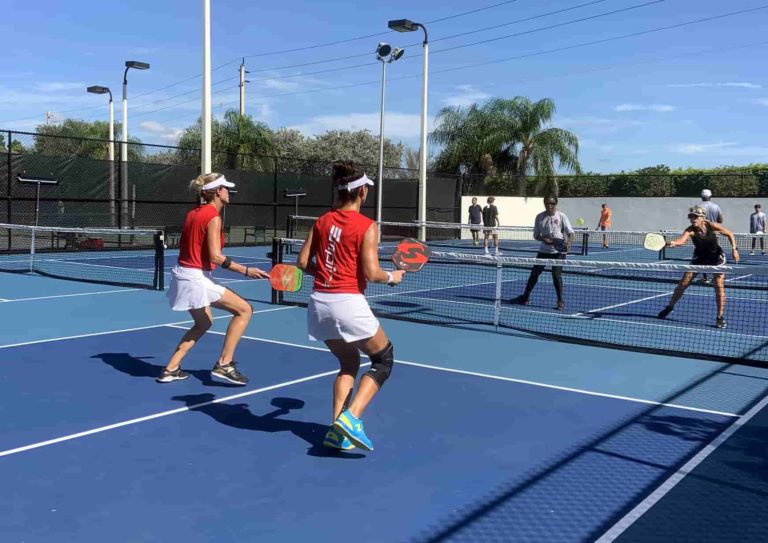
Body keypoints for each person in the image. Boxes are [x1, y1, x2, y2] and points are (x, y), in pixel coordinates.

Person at [297, 161, 405, 452]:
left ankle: (336, 430)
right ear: (362, 192)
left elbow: (303, 263)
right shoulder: (368, 226)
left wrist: (326, 273)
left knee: (348, 363)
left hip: (319, 304)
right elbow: (371, 272)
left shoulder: (321, 221)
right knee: (384, 359)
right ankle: (352, 418)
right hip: (347, 303)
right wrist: (392, 276)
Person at [159, 173, 270, 384]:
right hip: (195, 277)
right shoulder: (213, 217)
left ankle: (171, 368)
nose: (229, 192)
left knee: (203, 323)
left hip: (182, 274)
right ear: (218, 192)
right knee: (244, 310)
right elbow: (215, 256)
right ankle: (225, 364)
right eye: (226, 189)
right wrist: (246, 271)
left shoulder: (193, 213)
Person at [657, 206, 739, 329]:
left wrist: (734, 249)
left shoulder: (711, 225)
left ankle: (720, 317)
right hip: (699, 258)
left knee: (719, 288)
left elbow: (730, 234)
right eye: (691, 216)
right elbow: (681, 241)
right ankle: (670, 307)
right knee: (683, 284)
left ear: (702, 218)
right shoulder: (690, 230)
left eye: (695, 216)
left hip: (716, 259)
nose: (692, 219)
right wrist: (671, 243)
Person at [511, 196, 574, 310]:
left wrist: (569, 243)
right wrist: (543, 239)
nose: (550, 205)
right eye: (547, 203)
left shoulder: (561, 216)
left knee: (556, 275)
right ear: (544, 203)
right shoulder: (539, 217)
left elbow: (570, 232)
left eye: (552, 203)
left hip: (558, 252)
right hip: (544, 251)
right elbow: (536, 235)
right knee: (534, 274)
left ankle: (560, 300)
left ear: (556, 204)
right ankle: (526, 297)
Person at [698, 189, 723, 285]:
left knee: (703, 256)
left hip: (702, 235)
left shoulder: (699, 207)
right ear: (710, 196)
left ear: (701, 197)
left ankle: (705, 278)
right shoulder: (716, 206)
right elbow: (720, 220)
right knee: (715, 255)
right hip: (714, 235)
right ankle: (716, 277)